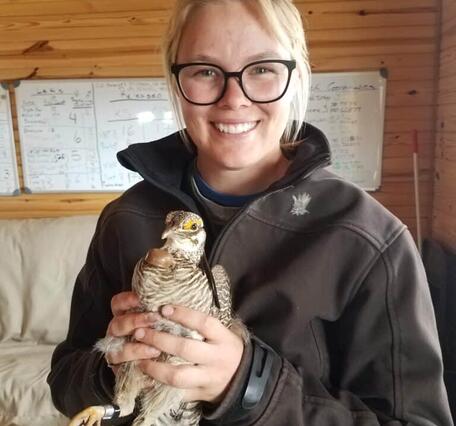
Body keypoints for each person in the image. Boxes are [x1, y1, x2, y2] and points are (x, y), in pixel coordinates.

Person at [48, 0, 453, 424]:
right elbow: (64, 381)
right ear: (176, 79)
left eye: (261, 69)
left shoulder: (367, 238)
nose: (234, 99)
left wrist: (250, 387)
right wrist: (110, 369)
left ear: (294, 77)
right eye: (205, 71)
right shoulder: (126, 218)